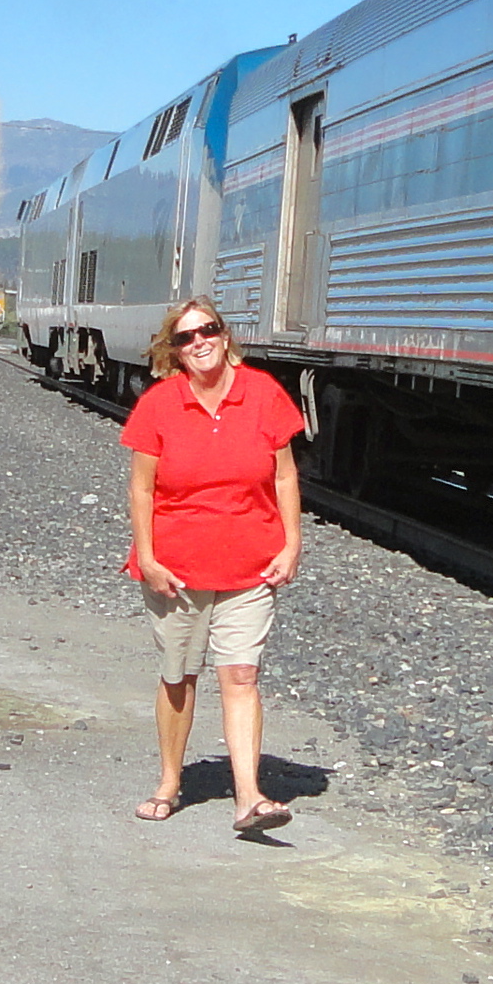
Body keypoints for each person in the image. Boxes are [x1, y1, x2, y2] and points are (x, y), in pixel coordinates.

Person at [119, 297, 304, 832]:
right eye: (185, 337)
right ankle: (169, 782)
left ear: (224, 336)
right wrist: (148, 558)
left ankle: (249, 798)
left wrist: (292, 544)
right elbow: (141, 489)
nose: (198, 342)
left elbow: (285, 475)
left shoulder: (263, 394)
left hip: (251, 566)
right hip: (176, 570)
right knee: (179, 676)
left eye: (207, 330)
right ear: (174, 351)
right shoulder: (159, 404)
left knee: (241, 674)